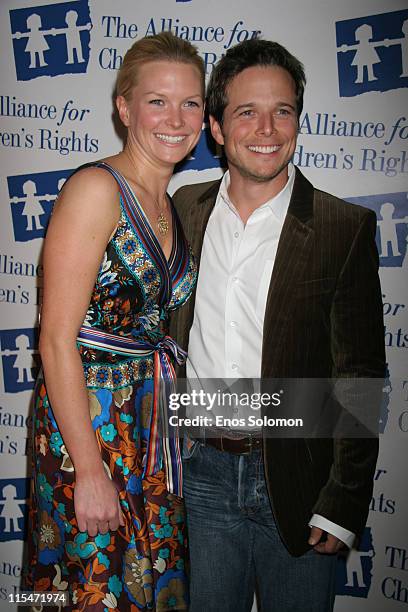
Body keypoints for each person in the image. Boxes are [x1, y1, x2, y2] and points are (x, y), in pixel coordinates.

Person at [170, 38, 385, 611]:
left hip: (301, 479)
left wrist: (345, 498)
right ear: (216, 126)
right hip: (199, 476)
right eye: (246, 111)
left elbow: (362, 377)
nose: (267, 128)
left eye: (282, 110)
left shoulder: (344, 227)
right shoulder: (180, 211)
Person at [25, 32, 204, 611]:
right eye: (157, 101)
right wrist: (89, 470)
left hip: (147, 430)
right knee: (97, 591)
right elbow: (55, 339)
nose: (176, 118)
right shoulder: (96, 189)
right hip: (91, 428)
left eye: (191, 103)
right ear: (124, 108)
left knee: (150, 588)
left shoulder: (171, 204)